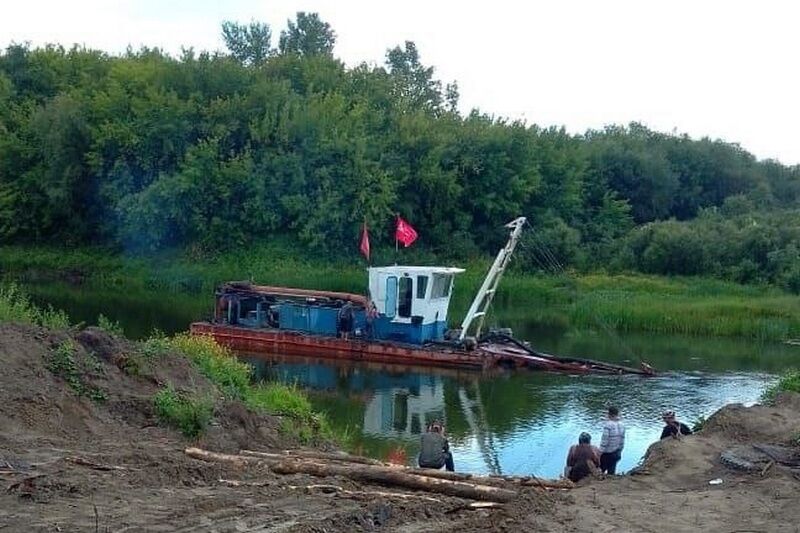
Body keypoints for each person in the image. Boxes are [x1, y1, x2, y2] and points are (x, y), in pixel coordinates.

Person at [599, 406, 625, 475]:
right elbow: (622, 440)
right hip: (616, 452)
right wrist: (620, 450)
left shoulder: (608, 425)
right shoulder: (622, 425)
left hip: (607, 453)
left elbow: (605, 441)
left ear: (609, 414)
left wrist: (600, 453)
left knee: (601, 471)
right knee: (611, 472)